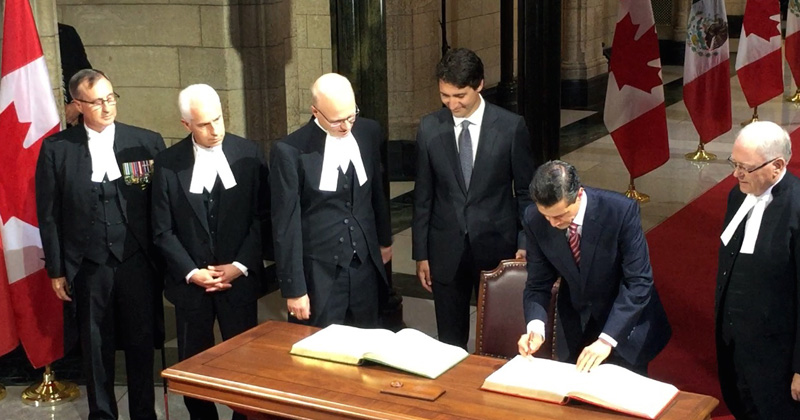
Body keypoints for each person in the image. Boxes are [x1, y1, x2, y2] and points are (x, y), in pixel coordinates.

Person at [36, 69, 165, 420]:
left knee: (141, 343)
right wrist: (57, 269)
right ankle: (102, 415)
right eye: (97, 102)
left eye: (111, 98)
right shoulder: (57, 149)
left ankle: (144, 413)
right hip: (89, 264)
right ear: (78, 105)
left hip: (137, 260)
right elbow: (48, 214)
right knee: (95, 347)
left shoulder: (146, 142)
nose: (107, 107)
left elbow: (161, 207)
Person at [150, 84, 269, 420]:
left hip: (238, 282)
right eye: (204, 124)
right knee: (194, 367)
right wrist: (192, 272)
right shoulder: (168, 163)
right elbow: (162, 229)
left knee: (245, 365)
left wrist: (240, 265)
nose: (215, 129)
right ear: (186, 124)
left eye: (218, 119)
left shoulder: (249, 154)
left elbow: (263, 218)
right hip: (191, 287)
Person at [412, 47, 535, 349]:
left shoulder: (510, 127)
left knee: (498, 338)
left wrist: (524, 242)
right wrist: (421, 253)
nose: (452, 104)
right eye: (445, 96)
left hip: (497, 248)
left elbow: (525, 193)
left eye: (460, 96)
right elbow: (423, 195)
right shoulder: (429, 127)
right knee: (449, 342)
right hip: (445, 250)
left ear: (479, 85)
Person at [518, 160, 671, 375]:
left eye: (560, 215)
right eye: (546, 216)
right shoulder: (534, 219)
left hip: (624, 324)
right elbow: (537, 283)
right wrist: (535, 327)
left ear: (579, 195)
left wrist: (607, 340)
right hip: (576, 325)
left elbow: (639, 282)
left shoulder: (620, 211)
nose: (552, 223)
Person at [270, 73, 392, 328]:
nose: (346, 127)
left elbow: (377, 192)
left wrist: (384, 240)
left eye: (351, 116)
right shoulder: (290, 150)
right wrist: (294, 289)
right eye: (337, 121)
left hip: (365, 265)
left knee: (368, 340)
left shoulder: (369, 132)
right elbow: (286, 225)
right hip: (320, 272)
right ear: (315, 112)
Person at [715, 121, 800, 419]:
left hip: (777, 358)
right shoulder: (737, 195)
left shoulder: (797, 208)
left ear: (777, 166)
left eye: (745, 167)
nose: (736, 173)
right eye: (734, 163)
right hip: (736, 346)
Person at [58, 23, 92, 127]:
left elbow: (87, 76)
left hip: (70, 120)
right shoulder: (19, 35)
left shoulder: (66, 32)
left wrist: (77, 106)